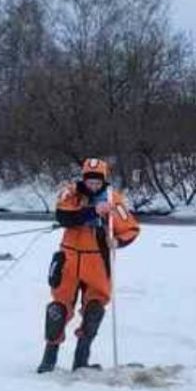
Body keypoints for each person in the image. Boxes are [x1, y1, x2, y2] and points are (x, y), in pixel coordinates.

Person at [37, 158, 140, 373]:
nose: (93, 185)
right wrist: (94, 211)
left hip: (97, 261)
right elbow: (64, 216)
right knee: (58, 309)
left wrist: (118, 241)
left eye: (97, 181)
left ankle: (81, 361)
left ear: (104, 180)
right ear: (83, 179)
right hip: (69, 258)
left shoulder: (114, 199)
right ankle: (48, 360)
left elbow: (131, 228)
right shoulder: (70, 192)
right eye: (89, 180)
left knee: (94, 310)